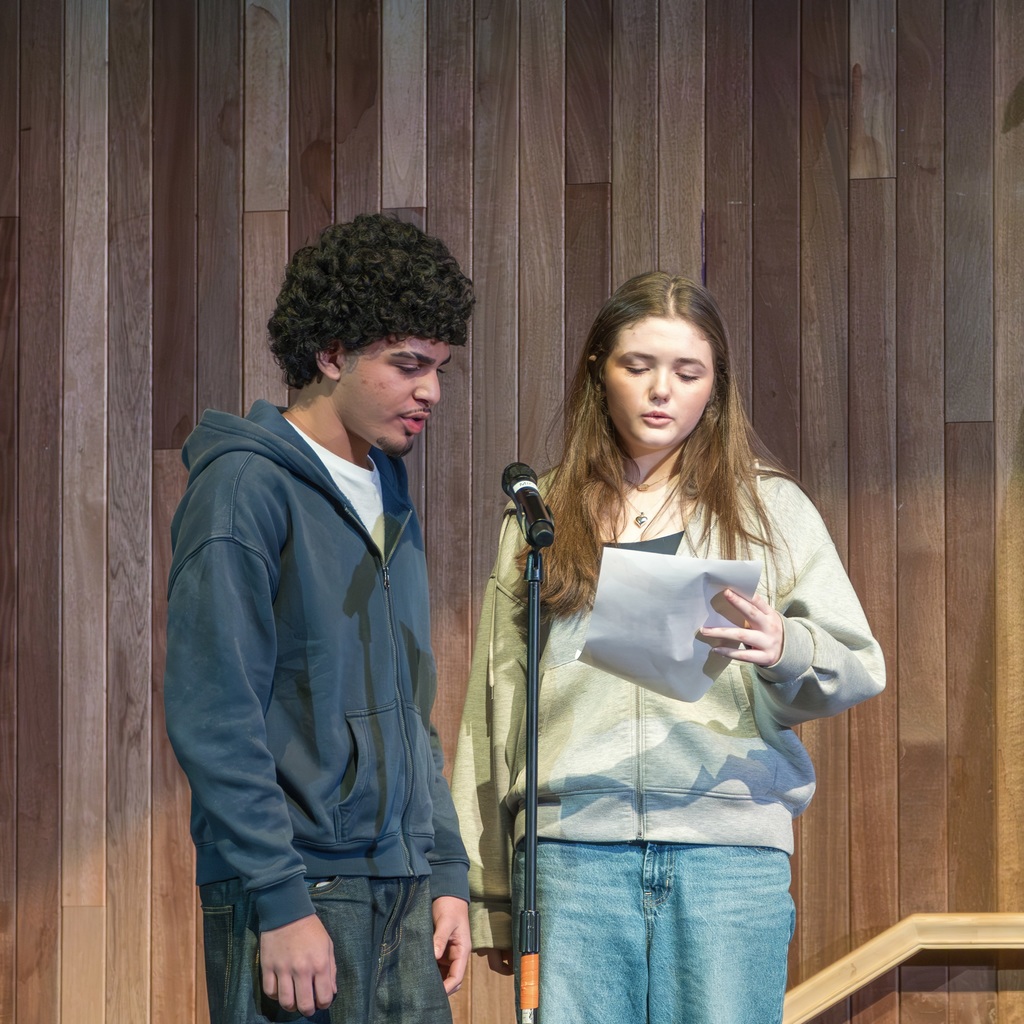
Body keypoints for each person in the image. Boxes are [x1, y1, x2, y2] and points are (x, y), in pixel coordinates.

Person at [451, 271, 886, 1024]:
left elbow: (857, 664)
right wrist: (490, 891)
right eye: (638, 366)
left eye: (688, 373)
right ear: (598, 371)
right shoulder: (540, 515)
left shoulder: (769, 508)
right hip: (573, 856)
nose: (662, 391)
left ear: (714, 388)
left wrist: (786, 646)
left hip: (726, 856)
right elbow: (495, 709)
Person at [164, 213, 475, 1024]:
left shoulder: (389, 494)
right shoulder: (243, 489)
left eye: (439, 368)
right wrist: (279, 897)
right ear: (330, 354)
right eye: (408, 365)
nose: (431, 391)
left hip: (400, 891)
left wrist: (443, 868)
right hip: (301, 891)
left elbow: (412, 713)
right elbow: (216, 711)